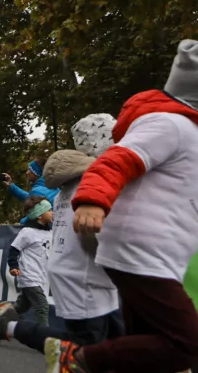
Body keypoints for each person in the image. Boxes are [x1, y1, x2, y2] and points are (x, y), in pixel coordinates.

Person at [45, 40, 198, 373]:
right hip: (139, 252)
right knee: (187, 344)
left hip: (154, 256)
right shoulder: (172, 124)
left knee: (148, 344)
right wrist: (92, 201)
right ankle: (77, 358)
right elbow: (116, 160)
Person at [0, 114, 124, 353]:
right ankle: (9, 327)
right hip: (84, 277)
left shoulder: (67, 188)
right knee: (86, 349)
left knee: (117, 344)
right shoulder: (94, 183)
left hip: (85, 274)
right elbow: (93, 234)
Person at [7, 196, 53, 325]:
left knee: (22, 306)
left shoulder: (50, 232)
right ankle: (44, 337)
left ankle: (3, 320)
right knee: (42, 306)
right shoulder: (27, 232)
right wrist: (13, 266)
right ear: (39, 215)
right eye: (49, 210)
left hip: (39, 275)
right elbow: (14, 249)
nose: (52, 212)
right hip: (29, 275)